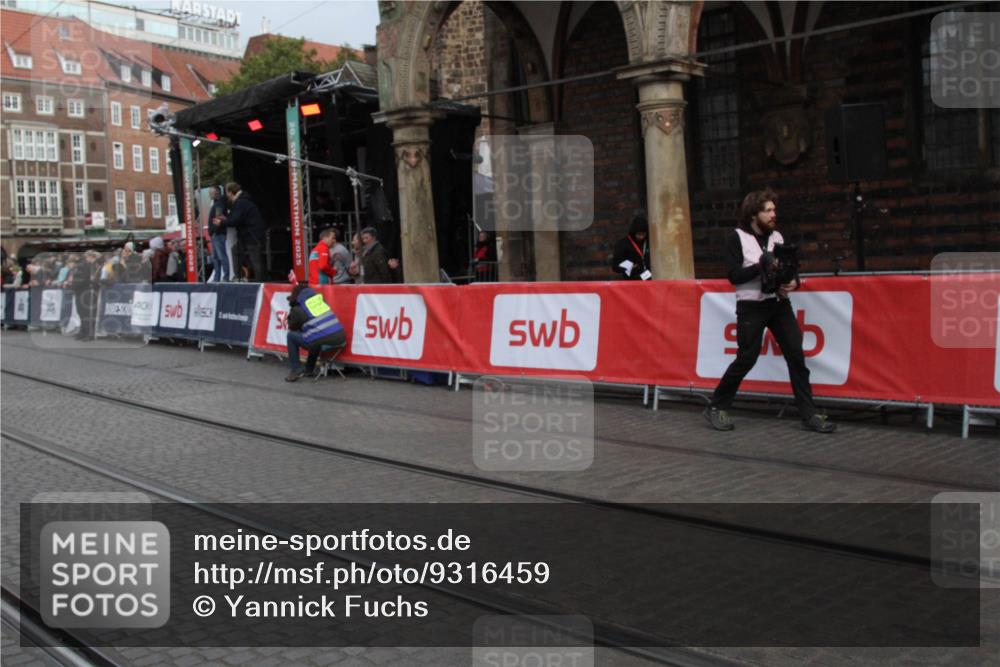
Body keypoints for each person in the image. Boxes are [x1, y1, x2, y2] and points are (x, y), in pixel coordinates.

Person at [704, 188, 836, 434]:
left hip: (778, 304)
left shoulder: (777, 237)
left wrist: (794, 281)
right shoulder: (737, 238)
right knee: (747, 357)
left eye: (774, 210)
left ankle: (808, 414)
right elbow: (734, 276)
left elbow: (790, 268)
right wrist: (759, 265)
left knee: (796, 355)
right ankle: (716, 405)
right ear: (754, 214)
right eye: (768, 211)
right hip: (751, 306)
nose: (773, 214)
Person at [284, 281, 347, 382]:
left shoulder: (298, 308)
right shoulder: (320, 301)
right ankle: (309, 369)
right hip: (340, 337)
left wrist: (292, 308)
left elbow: (292, 326)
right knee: (314, 335)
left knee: (291, 336)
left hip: (323, 339)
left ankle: (296, 368)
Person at [222, 182, 266, 281]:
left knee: (255, 259)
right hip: (248, 235)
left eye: (227, 192)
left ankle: (260, 282)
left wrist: (222, 222)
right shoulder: (241, 201)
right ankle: (239, 276)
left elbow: (236, 220)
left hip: (252, 235)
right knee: (236, 251)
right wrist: (226, 219)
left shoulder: (241, 202)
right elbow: (236, 217)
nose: (226, 195)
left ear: (230, 192)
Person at [611, 212, 652, 280]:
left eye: (643, 234)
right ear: (634, 232)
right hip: (632, 280)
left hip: (649, 278)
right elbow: (615, 267)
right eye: (639, 234)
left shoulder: (649, 242)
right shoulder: (623, 244)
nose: (641, 237)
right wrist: (629, 267)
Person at [72, 250, 101, 340]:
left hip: (87, 291)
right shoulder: (86, 265)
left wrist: (74, 286)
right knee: (81, 312)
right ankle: (83, 331)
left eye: (88, 256)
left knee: (87, 313)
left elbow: (85, 279)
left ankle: (89, 333)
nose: (87, 258)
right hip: (81, 291)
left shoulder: (94, 266)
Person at [207, 186, 231, 282]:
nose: (209, 194)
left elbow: (218, 218)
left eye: (210, 192)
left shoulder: (219, 204)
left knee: (221, 256)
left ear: (216, 193)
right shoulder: (218, 203)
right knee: (216, 257)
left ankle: (225, 277)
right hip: (216, 234)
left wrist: (213, 230)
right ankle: (218, 278)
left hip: (218, 234)